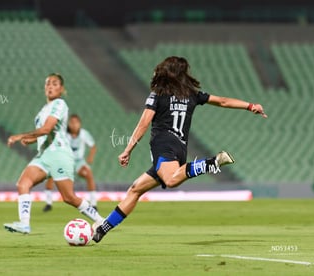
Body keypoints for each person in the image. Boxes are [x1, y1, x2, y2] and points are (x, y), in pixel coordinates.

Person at [92, 56, 267, 243]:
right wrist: (250, 106)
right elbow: (223, 101)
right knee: (135, 189)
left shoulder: (157, 94)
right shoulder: (191, 94)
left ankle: (210, 163)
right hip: (180, 148)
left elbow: (144, 123)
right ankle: (102, 229)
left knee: (171, 180)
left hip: (163, 144)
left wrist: (128, 149)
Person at [3, 73, 104, 234]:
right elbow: (45, 134)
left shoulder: (59, 104)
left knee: (69, 197)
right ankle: (24, 224)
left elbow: (47, 129)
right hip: (43, 155)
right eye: (48, 83)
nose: (50, 86)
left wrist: (22, 136)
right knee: (23, 183)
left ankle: (100, 221)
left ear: (62, 89)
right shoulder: (44, 110)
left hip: (59, 154)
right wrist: (31, 140)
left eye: (55, 83)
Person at [43, 114, 98, 212]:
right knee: (51, 175)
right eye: (72, 122)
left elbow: (93, 146)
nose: (74, 125)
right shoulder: (63, 134)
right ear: (69, 123)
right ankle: (48, 203)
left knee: (89, 174)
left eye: (76, 122)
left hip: (79, 162)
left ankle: (93, 203)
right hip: (65, 161)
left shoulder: (84, 134)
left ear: (80, 124)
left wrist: (90, 157)